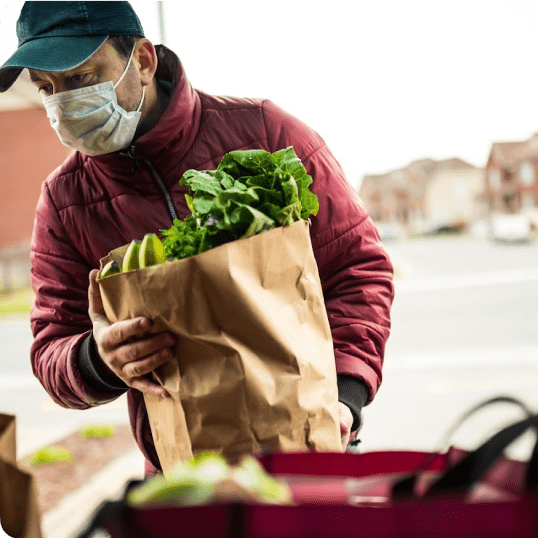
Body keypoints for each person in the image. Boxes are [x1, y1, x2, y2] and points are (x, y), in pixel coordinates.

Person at [0, 0, 394, 476]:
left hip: (312, 440)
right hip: (181, 471)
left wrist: (346, 398)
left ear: (142, 61)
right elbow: (51, 349)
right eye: (46, 88)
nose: (61, 103)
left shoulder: (265, 132)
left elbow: (358, 270)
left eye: (80, 78)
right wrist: (98, 359)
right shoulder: (63, 203)